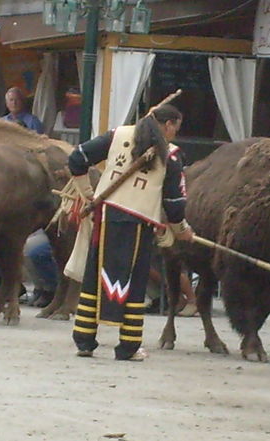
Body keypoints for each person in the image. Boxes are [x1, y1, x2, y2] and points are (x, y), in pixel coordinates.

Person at [69, 104, 194, 361]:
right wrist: (181, 229)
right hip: (139, 223)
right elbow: (174, 202)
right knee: (134, 282)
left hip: (106, 216)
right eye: (175, 129)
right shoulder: (170, 155)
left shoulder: (117, 135)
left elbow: (77, 158)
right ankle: (128, 346)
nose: (174, 135)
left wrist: (88, 195)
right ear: (168, 125)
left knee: (96, 274)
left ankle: (84, 340)